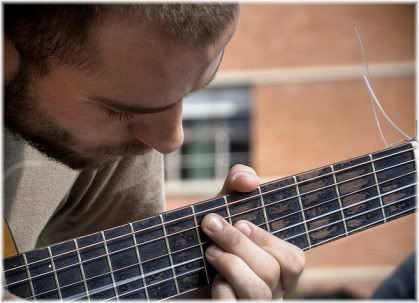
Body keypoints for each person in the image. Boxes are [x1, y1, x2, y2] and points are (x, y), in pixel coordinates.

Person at [4, 4, 305, 299]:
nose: (171, 140)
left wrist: (191, 291)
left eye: (193, 93)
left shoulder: (112, 140)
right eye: (119, 111)